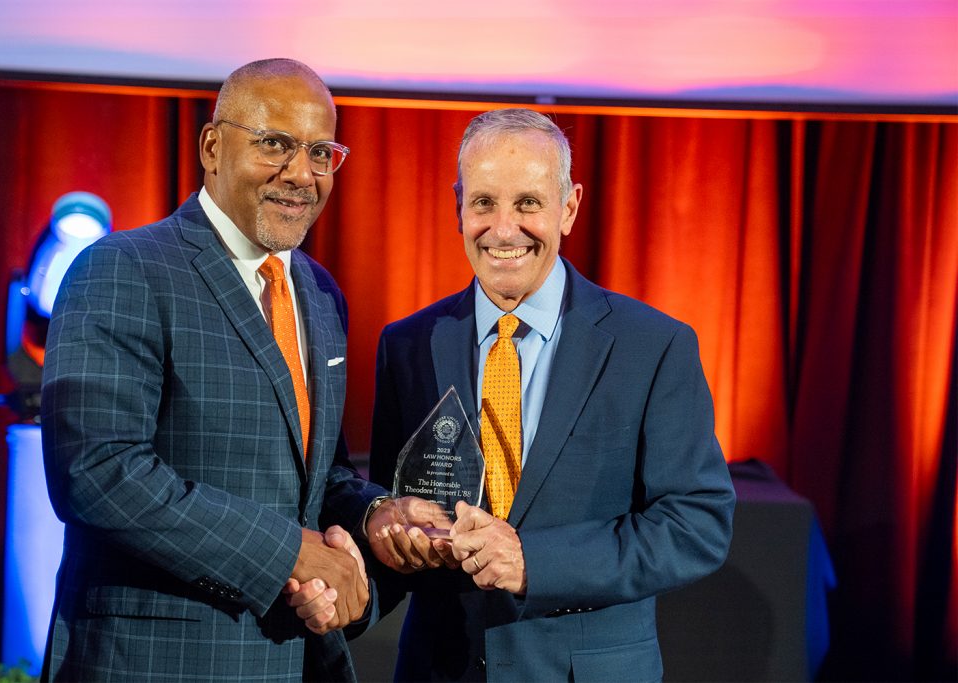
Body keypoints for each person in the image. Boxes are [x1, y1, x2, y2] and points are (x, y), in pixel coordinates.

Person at [41, 58, 398, 682]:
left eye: (320, 151)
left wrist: (377, 515)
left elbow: (321, 476)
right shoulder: (123, 268)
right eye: (274, 145)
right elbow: (96, 472)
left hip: (299, 659)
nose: (301, 174)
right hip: (155, 665)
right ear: (212, 145)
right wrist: (290, 553)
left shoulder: (318, 292)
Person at [365, 108, 737, 682]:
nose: (503, 228)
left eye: (529, 203)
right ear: (458, 207)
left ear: (569, 207)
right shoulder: (408, 344)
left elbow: (696, 524)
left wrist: (533, 563)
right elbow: (394, 506)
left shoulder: (653, 345)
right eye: (483, 202)